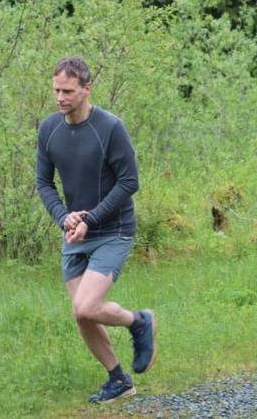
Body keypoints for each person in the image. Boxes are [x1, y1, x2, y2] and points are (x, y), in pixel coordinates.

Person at [36, 56, 155, 404]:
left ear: (87, 89)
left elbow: (129, 182)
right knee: (83, 316)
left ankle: (138, 321)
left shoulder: (110, 127)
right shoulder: (49, 129)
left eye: (68, 91)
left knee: (86, 306)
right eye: (57, 90)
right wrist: (64, 217)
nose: (60, 97)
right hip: (75, 234)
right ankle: (118, 379)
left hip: (113, 229)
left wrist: (90, 219)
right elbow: (44, 183)